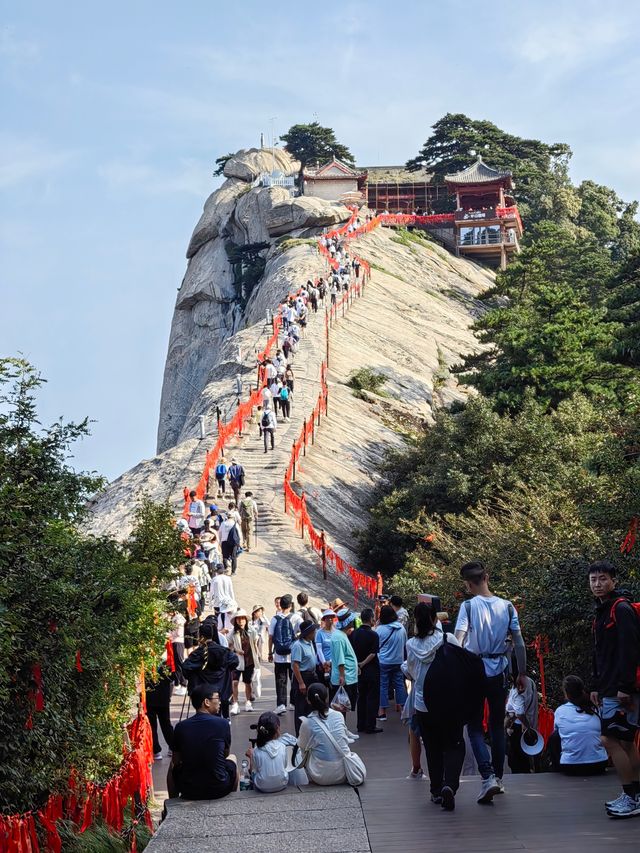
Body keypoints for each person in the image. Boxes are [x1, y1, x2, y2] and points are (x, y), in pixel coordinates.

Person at [455, 560, 526, 803]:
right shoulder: (507, 607)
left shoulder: (467, 606)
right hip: (500, 672)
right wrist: (522, 673)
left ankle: (487, 777)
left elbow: (459, 639)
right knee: (496, 726)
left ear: (467, 583)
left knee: (474, 725)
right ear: (487, 577)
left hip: (474, 670)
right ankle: (499, 777)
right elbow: (518, 642)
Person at [588, 560, 640, 817]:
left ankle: (631, 798)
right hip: (608, 686)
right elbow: (600, 653)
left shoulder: (621, 609)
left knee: (609, 739)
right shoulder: (602, 610)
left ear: (613, 581)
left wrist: (625, 687)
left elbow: (630, 649)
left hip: (620, 689)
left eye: (602, 579)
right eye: (593, 579)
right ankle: (636, 795)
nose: (597, 584)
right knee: (627, 742)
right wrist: (596, 685)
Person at [405, 602, 464, 811]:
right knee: (454, 744)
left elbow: (410, 671)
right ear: (434, 619)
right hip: (448, 703)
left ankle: (436, 789)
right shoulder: (448, 639)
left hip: (423, 704)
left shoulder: (410, 644)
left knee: (432, 747)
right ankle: (450, 784)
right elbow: (461, 665)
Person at [167, 685, 238, 800]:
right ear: (207, 702)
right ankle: (231, 799)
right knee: (233, 758)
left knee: (171, 767)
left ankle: (172, 802)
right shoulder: (223, 724)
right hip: (219, 788)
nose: (220, 702)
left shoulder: (181, 727)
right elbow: (225, 755)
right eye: (217, 698)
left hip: (188, 789)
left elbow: (176, 760)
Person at [297, 683, 364, 786]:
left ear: (308, 700)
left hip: (321, 776)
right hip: (345, 771)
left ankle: (308, 776)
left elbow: (302, 747)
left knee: (300, 748)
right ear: (327, 697)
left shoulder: (307, 723)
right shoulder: (338, 715)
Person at [549, 675, 608, 775]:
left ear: (566, 694)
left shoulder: (560, 711)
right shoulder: (595, 708)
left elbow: (557, 733)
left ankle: (554, 767)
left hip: (571, 766)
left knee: (554, 736)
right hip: (599, 764)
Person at [181, 622, 239, 719]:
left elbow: (186, 667)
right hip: (221, 691)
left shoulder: (198, 653)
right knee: (218, 717)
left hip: (203, 693)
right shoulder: (224, 651)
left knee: (204, 718)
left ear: (200, 636)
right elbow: (234, 662)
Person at [246, 711, 297, 793]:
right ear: (277, 729)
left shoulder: (256, 750)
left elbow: (255, 770)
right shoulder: (282, 746)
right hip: (282, 784)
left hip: (262, 786)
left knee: (253, 771)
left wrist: (250, 757)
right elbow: (284, 766)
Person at [268, 594, 302, 715]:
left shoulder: (274, 619)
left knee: (280, 680)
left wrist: (269, 652)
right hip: (293, 655)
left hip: (279, 655)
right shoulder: (296, 618)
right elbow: (302, 631)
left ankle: (281, 704)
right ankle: (293, 702)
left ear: (280, 605)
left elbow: (271, 637)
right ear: (290, 605)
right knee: (294, 679)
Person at [350, 608, 382, 734]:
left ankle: (360, 724)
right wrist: (363, 663)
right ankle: (370, 725)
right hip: (372, 669)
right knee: (372, 697)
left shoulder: (354, 634)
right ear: (370, 619)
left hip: (358, 670)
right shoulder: (374, 635)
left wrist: (358, 664)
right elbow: (373, 653)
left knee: (361, 696)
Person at [376, 604, 408, 721]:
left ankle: (382, 712)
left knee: (383, 685)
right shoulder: (401, 628)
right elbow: (405, 644)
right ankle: (404, 710)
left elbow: (377, 646)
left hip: (384, 662)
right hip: (398, 661)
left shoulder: (380, 629)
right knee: (399, 684)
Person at [291, 621, 321, 734]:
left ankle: (310, 732)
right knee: (301, 707)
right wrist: (301, 683)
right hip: (303, 677)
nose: (314, 633)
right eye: (313, 631)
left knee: (310, 706)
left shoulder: (310, 643)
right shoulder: (298, 645)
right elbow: (295, 665)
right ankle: (300, 733)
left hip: (311, 676)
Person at [505, 675, 539, 774]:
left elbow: (519, 712)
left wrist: (526, 724)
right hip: (528, 723)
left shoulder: (519, 686)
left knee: (517, 759)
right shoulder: (529, 681)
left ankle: (521, 780)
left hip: (519, 726)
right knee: (524, 757)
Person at [228, 609, 260, 715]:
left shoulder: (252, 630)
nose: (241, 621)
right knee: (235, 682)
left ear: (246, 620)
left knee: (248, 682)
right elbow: (229, 646)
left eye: (243, 618)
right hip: (237, 661)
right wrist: (236, 650)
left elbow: (255, 643)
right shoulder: (233, 632)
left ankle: (248, 702)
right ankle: (235, 703)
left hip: (249, 660)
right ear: (236, 620)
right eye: (239, 618)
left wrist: (258, 656)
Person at [330, 610, 359, 715]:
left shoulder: (341, 634)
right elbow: (340, 658)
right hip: (344, 677)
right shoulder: (339, 637)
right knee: (341, 708)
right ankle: (340, 729)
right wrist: (342, 675)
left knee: (343, 707)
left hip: (348, 676)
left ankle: (342, 729)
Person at [146, 661, 174, 760]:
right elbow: (172, 680)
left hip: (150, 699)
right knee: (166, 723)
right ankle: (172, 747)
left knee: (152, 725)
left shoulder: (145, 663)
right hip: (163, 698)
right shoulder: (167, 663)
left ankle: (156, 751)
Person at [168, 605, 188, 694]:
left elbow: (179, 633)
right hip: (174, 641)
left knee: (180, 663)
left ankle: (183, 684)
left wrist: (170, 635)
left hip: (178, 642)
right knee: (175, 664)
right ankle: (177, 683)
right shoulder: (175, 618)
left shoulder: (178, 619)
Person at [218, 508, 241, 575]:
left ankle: (225, 569)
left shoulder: (223, 523)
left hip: (224, 541)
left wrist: (220, 542)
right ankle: (233, 572)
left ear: (227, 517)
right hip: (233, 542)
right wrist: (239, 543)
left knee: (225, 556)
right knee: (234, 557)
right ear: (233, 517)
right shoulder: (235, 524)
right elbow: (239, 534)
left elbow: (220, 533)